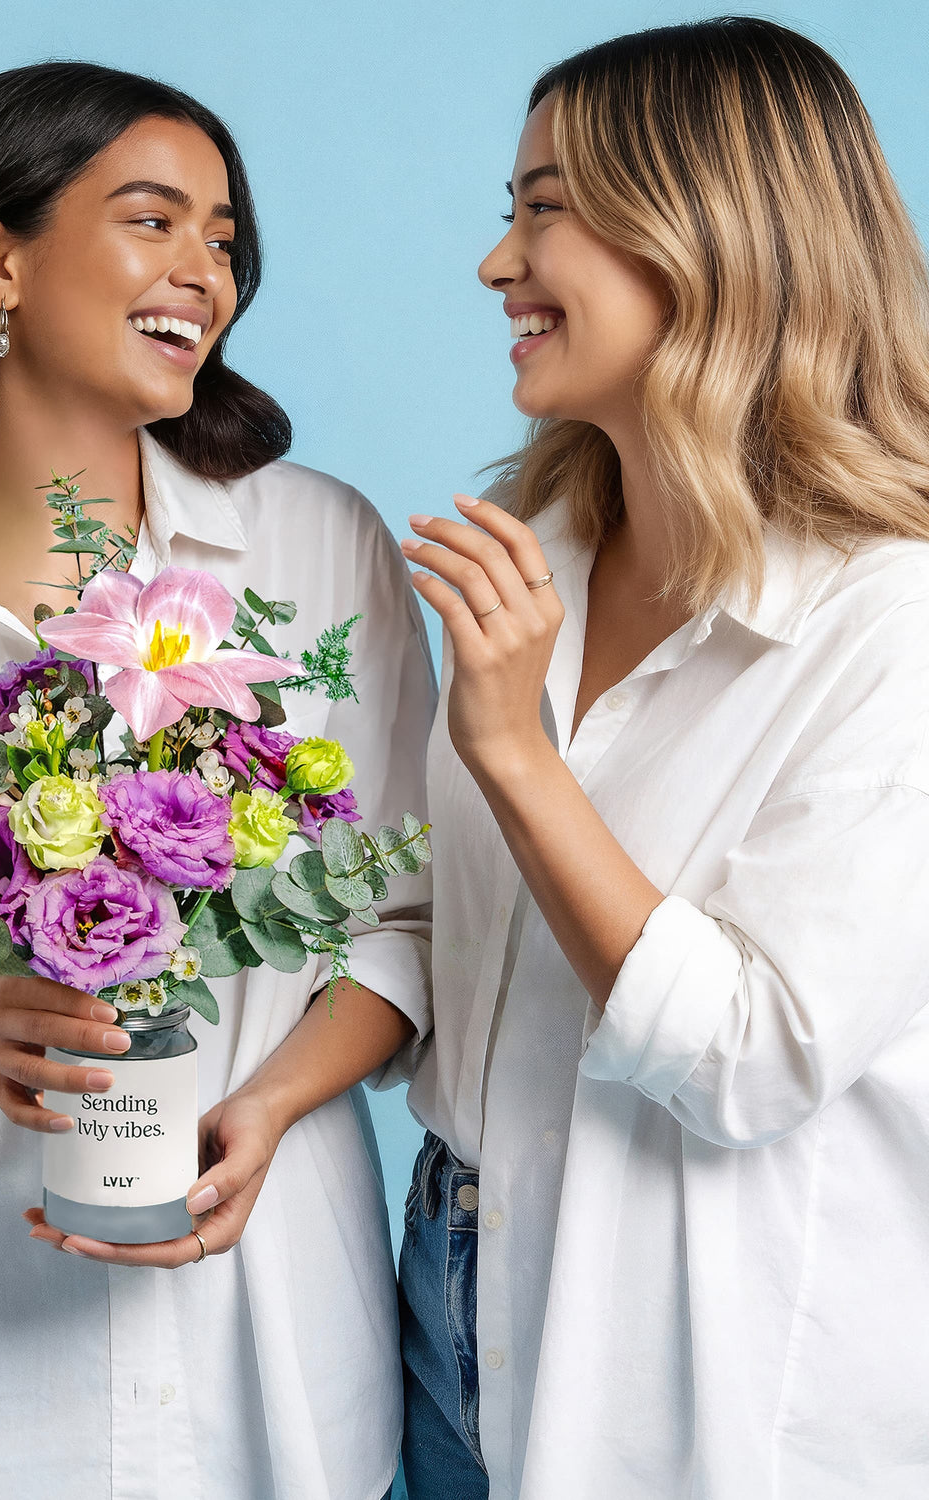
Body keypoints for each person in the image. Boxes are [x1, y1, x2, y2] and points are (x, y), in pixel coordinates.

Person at [0, 63, 433, 1500]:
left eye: (224, 238)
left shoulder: (316, 549)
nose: (205, 272)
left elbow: (407, 918)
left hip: (268, 1385)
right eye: (153, 221)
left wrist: (275, 1104)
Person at [397, 18, 929, 1500]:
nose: (498, 265)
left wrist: (516, 752)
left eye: (543, 209)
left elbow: (757, 1057)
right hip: (444, 1294)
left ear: (703, 236)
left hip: (708, 1365)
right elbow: (444, 945)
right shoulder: (533, 555)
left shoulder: (895, 621)